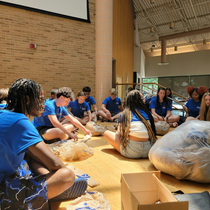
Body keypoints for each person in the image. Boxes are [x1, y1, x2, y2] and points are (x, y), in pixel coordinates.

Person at [0, 78, 87, 209]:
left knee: (30, 155)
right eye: (40, 99)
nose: (43, 104)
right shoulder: (20, 121)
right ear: (28, 100)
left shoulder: (4, 110)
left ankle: (48, 187)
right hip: (3, 189)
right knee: (66, 175)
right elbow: (56, 165)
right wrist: (57, 177)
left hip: (8, 172)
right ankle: (49, 190)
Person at [104, 90, 157, 158]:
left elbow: (119, 135)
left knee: (106, 133)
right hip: (149, 151)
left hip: (132, 152)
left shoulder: (125, 114)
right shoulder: (148, 113)